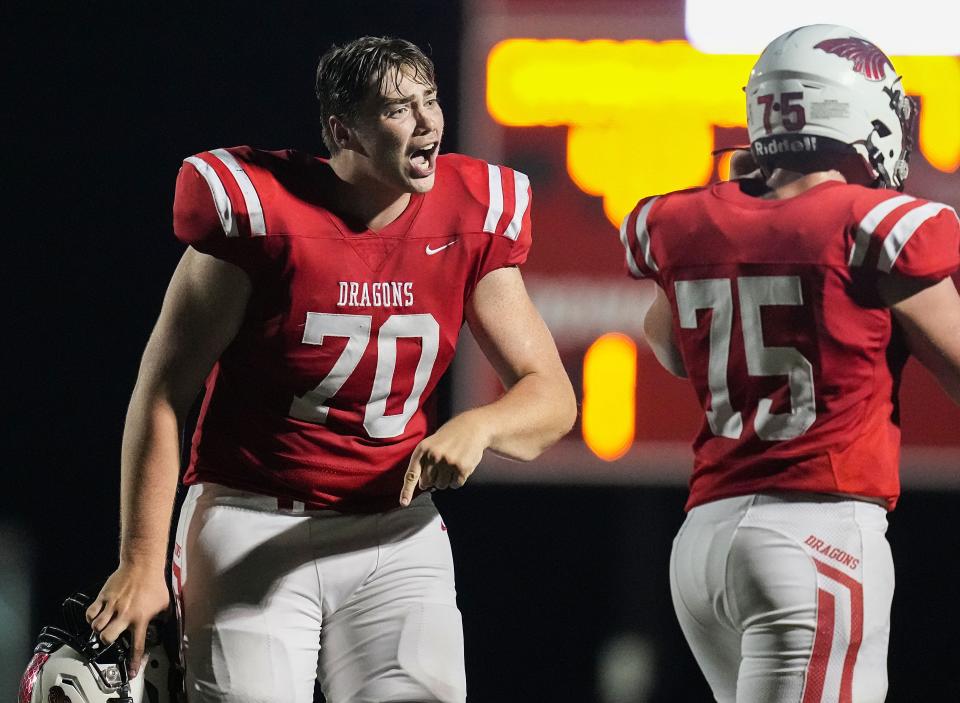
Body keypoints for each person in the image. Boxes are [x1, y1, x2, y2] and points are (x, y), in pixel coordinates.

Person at [84, 36, 576, 703]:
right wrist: (141, 562)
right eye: (400, 108)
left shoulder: (469, 214)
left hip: (395, 527)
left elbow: (551, 396)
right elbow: (165, 391)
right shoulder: (260, 216)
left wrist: (481, 426)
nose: (429, 121)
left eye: (430, 99)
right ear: (342, 129)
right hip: (252, 515)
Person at [617, 24, 960, 703]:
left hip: (705, 544)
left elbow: (669, 350)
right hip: (817, 533)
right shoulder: (876, 225)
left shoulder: (689, 219)